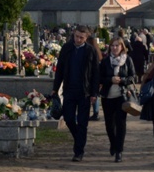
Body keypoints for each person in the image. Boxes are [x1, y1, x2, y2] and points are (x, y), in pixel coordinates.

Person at [52, 25, 100, 162]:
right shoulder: (67, 48)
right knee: (68, 118)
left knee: (83, 122)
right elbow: (60, 69)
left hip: (84, 91)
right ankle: (79, 138)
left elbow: (96, 73)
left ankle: (78, 152)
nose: (78, 39)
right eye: (76, 36)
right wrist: (55, 88)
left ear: (86, 38)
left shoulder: (91, 51)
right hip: (69, 89)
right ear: (73, 34)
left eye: (81, 37)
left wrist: (94, 93)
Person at [99, 37, 136, 162]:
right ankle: (113, 143)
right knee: (109, 124)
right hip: (107, 97)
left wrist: (123, 80)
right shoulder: (105, 61)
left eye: (117, 46)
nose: (114, 48)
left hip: (122, 96)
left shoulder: (127, 60)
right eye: (112, 46)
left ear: (122, 47)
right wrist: (110, 80)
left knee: (121, 124)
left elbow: (132, 76)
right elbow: (99, 77)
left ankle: (119, 150)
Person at [88, 35, 103, 121]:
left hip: (92, 76)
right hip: (97, 77)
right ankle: (96, 112)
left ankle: (95, 113)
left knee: (93, 94)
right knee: (96, 95)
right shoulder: (97, 51)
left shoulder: (91, 51)